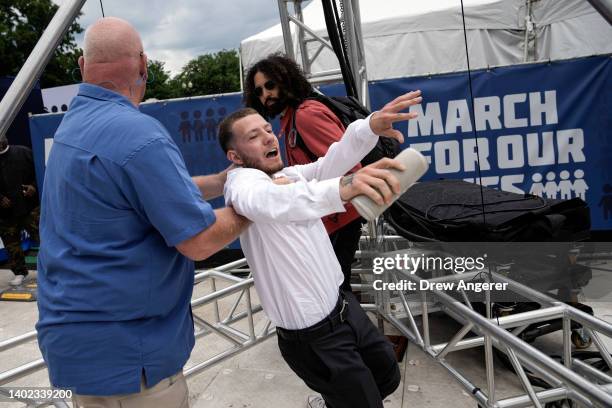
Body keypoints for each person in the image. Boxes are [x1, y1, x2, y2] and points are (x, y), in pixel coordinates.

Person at [36, 17, 249, 408]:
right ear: (144, 65)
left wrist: (219, 182)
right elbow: (199, 242)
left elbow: (140, 193)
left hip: (78, 350)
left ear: (83, 66)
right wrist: (253, 204)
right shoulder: (139, 134)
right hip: (132, 362)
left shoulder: (72, 127)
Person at [219, 90, 422, 408]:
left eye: (268, 130)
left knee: (386, 376)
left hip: (343, 309)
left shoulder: (287, 175)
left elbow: (332, 161)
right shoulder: (242, 185)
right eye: (253, 137)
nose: (268, 139)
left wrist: (368, 126)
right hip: (314, 339)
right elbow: (269, 202)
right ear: (235, 156)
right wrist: (345, 187)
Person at [245, 54, 365, 292]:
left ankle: (354, 330)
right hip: (329, 218)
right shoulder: (291, 118)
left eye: (270, 85)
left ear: (286, 80)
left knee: (335, 291)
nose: (265, 95)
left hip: (339, 218)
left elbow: (348, 164)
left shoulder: (306, 115)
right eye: (259, 91)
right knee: (335, 290)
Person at [0, 134, 39, 286]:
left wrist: (33, 187)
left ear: (6, 138)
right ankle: (20, 272)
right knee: (11, 244)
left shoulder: (24, 152)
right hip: (6, 213)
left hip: (30, 208)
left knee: (45, 238)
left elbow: (40, 171)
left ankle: (53, 269)